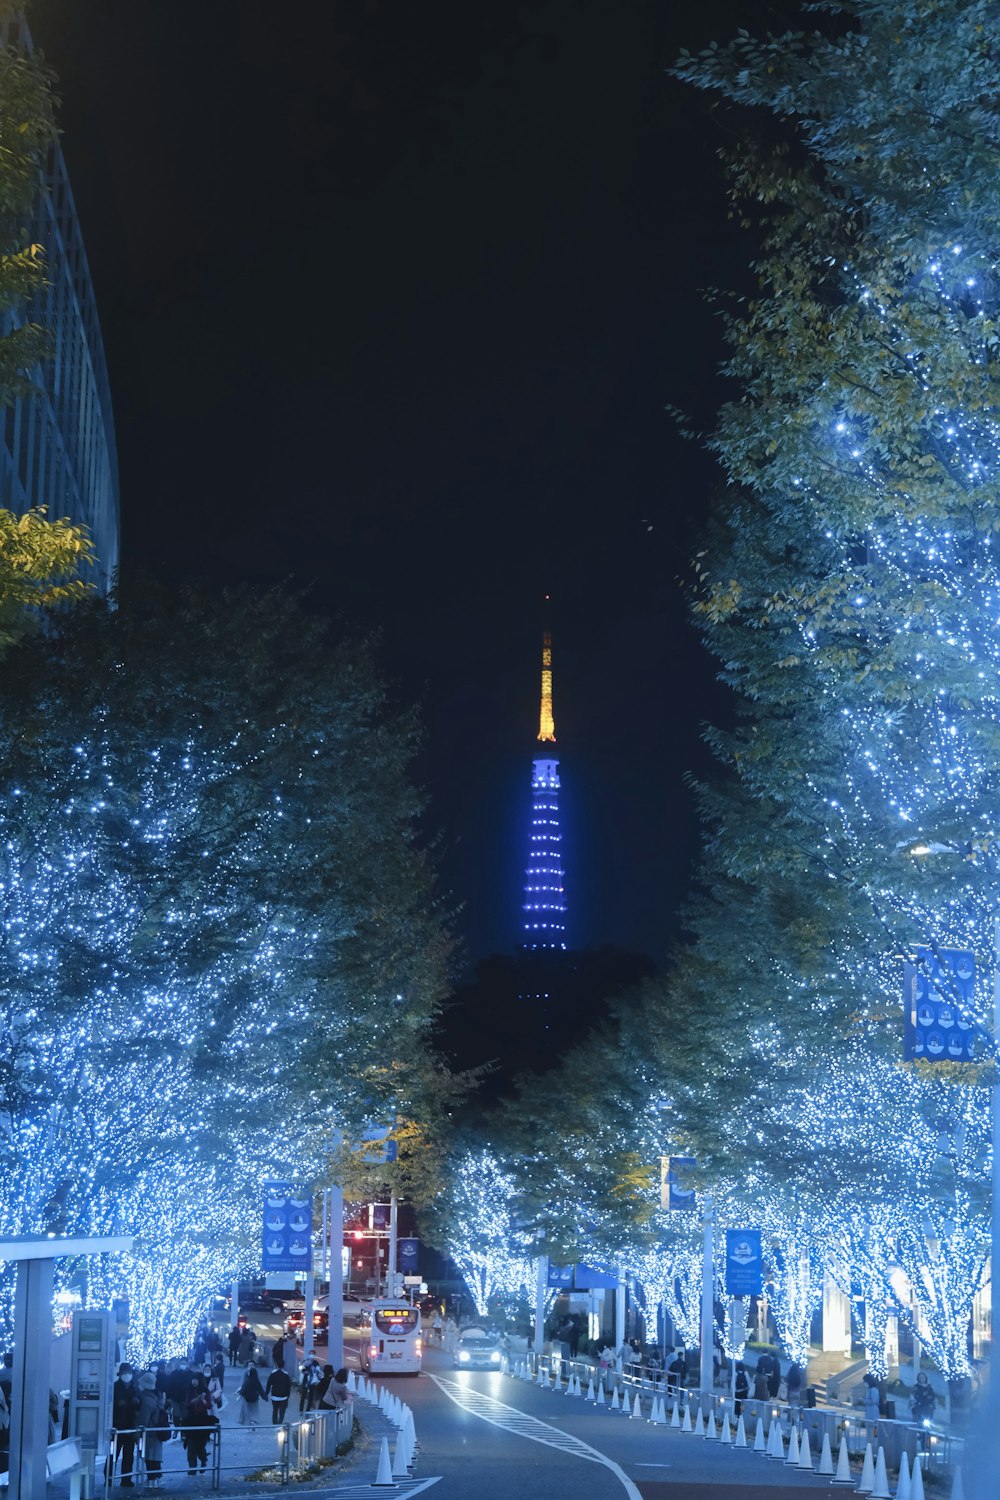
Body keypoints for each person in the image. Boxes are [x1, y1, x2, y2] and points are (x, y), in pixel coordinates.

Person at [107, 1362, 142, 1488]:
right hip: (117, 1426)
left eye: (129, 1373)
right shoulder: (115, 1387)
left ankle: (126, 1479)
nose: (127, 1375)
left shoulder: (135, 1387)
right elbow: (109, 1405)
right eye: (124, 1373)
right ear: (120, 1374)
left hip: (131, 1426)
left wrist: (137, 1403)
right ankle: (109, 1478)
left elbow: (140, 1405)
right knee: (112, 1454)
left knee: (128, 1455)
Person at [137, 1372, 168, 1485]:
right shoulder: (157, 1396)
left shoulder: (146, 1399)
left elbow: (143, 1419)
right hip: (156, 1431)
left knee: (149, 1456)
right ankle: (156, 1478)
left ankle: (152, 1479)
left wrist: (138, 1433)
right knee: (156, 1455)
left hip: (149, 1432)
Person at [181, 1377, 214, 1477]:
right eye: (193, 1379)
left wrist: (203, 1401)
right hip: (191, 1420)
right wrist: (193, 1401)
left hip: (202, 1420)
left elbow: (209, 1405)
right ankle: (192, 1468)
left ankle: (203, 1460)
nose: (194, 1381)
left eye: (196, 1379)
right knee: (191, 1445)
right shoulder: (189, 1390)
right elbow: (186, 1404)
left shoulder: (205, 1391)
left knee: (200, 1446)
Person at [237, 1361, 267, 1427]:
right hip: (249, 1395)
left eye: (252, 1365)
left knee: (251, 1409)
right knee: (247, 1408)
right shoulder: (245, 1372)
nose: (251, 1366)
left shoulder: (255, 1373)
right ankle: (250, 1420)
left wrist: (240, 1393)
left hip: (249, 1395)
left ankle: (250, 1421)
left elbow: (258, 1385)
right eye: (249, 1365)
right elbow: (243, 1383)